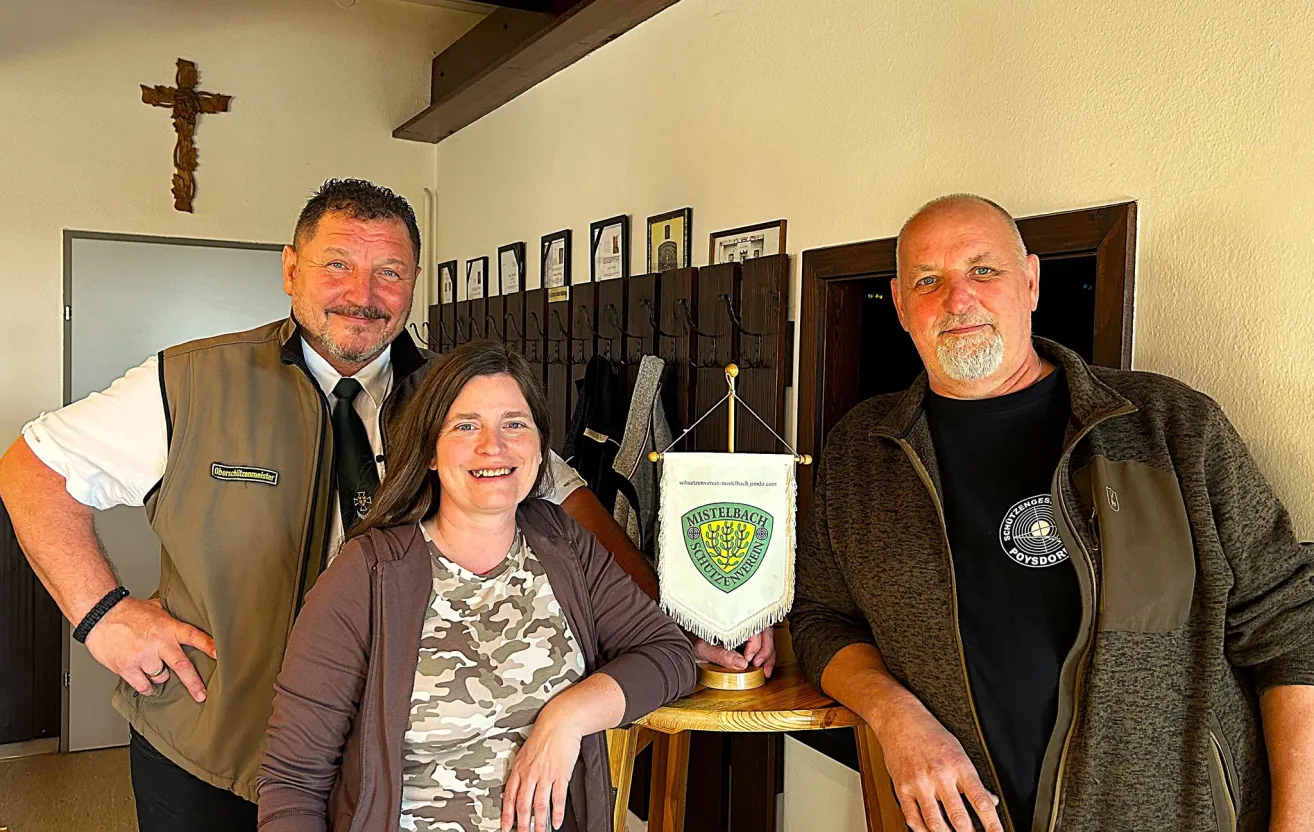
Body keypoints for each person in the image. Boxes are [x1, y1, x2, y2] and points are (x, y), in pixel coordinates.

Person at [0, 178, 767, 830]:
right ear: (290, 270)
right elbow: (32, 469)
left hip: (387, 760)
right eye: (337, 265)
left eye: (390, 274)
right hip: (213, 746)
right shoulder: (192, 382)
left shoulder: (451, 395)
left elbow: (565, 500)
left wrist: (681, 619)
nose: (362, 297)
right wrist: (103, 614)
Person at [789, 194, 1314, 832]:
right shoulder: (861, 452)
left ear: (1031, 281)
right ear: (901, 306)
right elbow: (822, 618)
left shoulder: (1172, 428)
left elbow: (1292, 629)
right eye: (929, 280)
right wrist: (899, 720)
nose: (958, 301)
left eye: (984, 271)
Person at [257, 340, 695, 831]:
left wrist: (566, 719)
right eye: (467, 426)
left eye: (514, 423)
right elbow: (292, 783)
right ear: (429, 451)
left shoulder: (563, 544)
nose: (495, 446)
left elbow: (668, 654)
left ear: (538, 445)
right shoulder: (368, 575)